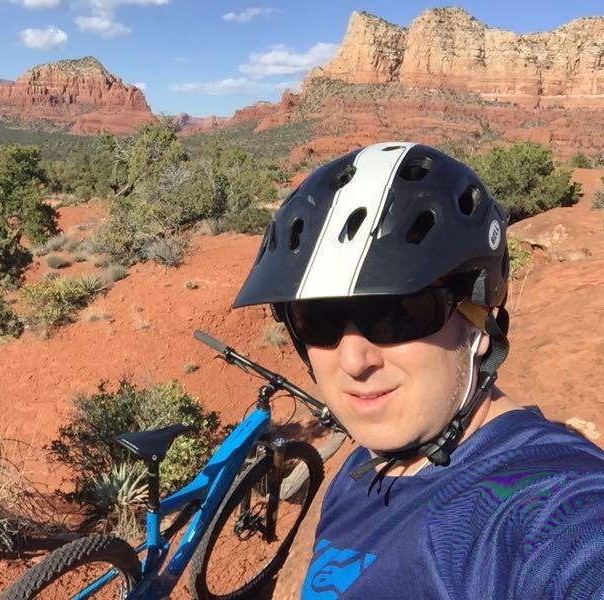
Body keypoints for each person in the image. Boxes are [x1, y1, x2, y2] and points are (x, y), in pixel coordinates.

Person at [232, 142, 604, 599]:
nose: (354, 361)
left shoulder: (550, 507)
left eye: (398, 313)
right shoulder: (363, 467)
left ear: (480, 317)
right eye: (318, 319)